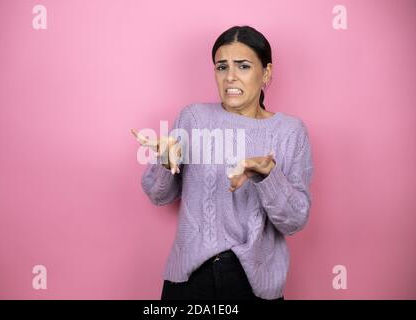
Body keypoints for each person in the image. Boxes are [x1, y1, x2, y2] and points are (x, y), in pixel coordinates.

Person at [132, 25, 313, 300]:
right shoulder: (193, 118)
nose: (230, 77)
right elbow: (159, 196)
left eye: (243, 66)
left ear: (266, 73)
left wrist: (268, 177)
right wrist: (166, 162)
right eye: (221, 67)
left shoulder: (290, 131)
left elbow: (294, 221)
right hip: (191, 277)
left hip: (254, 282)